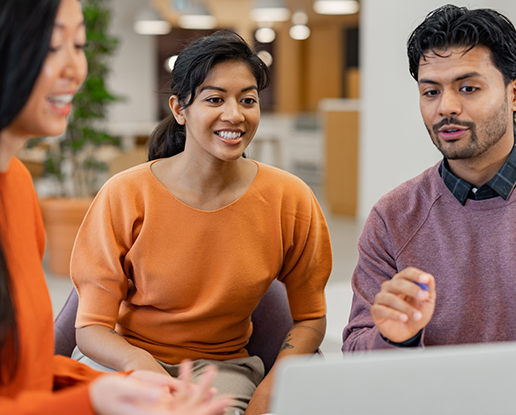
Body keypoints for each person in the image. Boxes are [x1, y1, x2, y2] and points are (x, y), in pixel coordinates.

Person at [0, 0, 230, 414]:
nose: (74, 69)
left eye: (77, 45)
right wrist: (91, 402)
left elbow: (19, 374)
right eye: (49, 48)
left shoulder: (15, 184)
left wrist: (123, 390)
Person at [341, 4, 516, 415]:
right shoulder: (393, 218)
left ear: (515, 92)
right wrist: (395, 339)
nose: (446, 106)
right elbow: (356, 356)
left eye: (468, 88)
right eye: (431, 91)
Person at [69, 30, 332, 415]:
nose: (235, 115)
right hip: (125, 360)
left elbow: (311, 317)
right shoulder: (125, 194)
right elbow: (91, 328)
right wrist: (146, 372)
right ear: (179, 109)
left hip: (220, 371)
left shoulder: (288, 198)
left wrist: (270, 390)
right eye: (214, 99)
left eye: (248, 100)